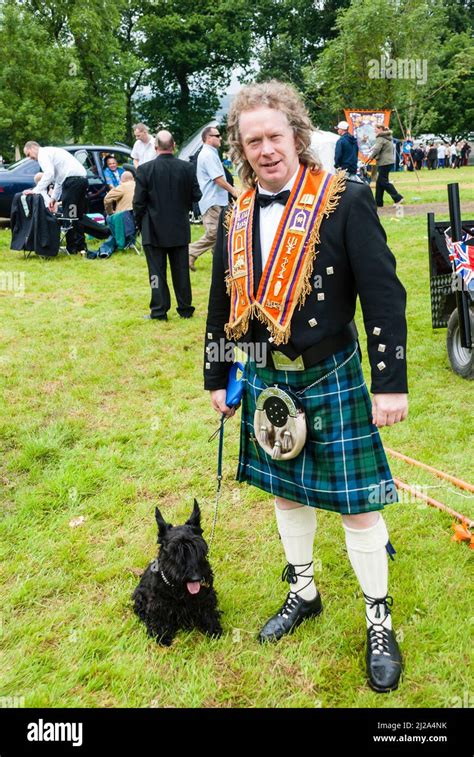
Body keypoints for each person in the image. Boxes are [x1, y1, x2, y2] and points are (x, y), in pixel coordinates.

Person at [204, 80, 408, 693]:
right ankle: (304, 589)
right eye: (252, 141)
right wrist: (218, 373)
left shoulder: (343, 200)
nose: (265, 149)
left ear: (296, 134)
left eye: (274, 136)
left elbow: (383, 293)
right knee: (286, 494)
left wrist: (390, 383)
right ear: (241, 150)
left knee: (357, 503)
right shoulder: (238, 212)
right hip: (268, 377)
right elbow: (224, 303)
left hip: (332, 374)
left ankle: (378, 618)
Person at [133, 129, 202, 320]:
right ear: (173, 146)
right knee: (181, 271)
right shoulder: (187, 168)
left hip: (152, 227)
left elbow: (138, 202)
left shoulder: (145, 170)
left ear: (155, 148)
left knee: (156, 273)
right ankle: (185, 308)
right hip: (178, 226)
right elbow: (197, 195)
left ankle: (159, 310)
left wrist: (139, 223)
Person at [23, 141, 88, 254]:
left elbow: (49, 174)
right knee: (77, 215)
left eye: (29, 154)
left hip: (72, 183)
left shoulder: (42, 154)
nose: (30, 158)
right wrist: (54, 198)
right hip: (81, 181)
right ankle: (81, 247)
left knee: (70, 215)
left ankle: (72, 248)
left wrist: (35, 191)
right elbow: (58, 180)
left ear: (33, 148)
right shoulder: (52, 152)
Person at [188, 126, 238, 272]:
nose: (220, 138)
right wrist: (234, 191)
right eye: (217, 135)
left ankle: (221, 263)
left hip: (216, 200)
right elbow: (218, 179)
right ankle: (190, 252)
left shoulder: (211, 153)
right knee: (215, 234)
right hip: (212, 201)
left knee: (221, 233)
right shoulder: (208, 155)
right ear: (208, 138)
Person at [368, 125, 403, 208]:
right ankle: (378, 202)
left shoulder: (380, 138)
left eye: (375, 129)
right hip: (388, 162)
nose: (374, 130)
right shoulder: (387, 137)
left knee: (383, 181)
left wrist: (371, 157)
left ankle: (398, 197)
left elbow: (377, 149)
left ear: (380, 129)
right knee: (380, 183)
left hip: (384, 162)